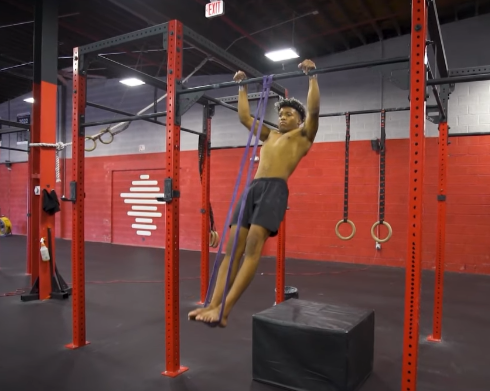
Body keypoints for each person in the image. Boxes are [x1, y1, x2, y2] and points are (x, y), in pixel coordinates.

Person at [188, 59, 320, 327]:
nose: (283, 117)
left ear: (300, 120)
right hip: (253, 187)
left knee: (251, 249)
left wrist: (313, 78)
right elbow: (244, 117)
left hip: (274, 189)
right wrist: (242, 87)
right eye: (280, 114)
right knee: (231, 249)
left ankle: (225, 311)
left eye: (289, 114)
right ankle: (213, 303)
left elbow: (315, 110)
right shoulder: (269, 135)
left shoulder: (304, 136)